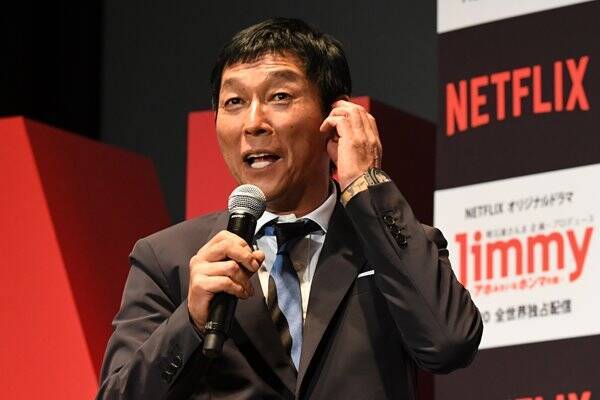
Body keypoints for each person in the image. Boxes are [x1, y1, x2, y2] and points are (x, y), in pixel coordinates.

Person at [97, 18, 483, 400]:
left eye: (280, 97)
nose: (253, 123)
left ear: (335, 116)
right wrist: (191, 322)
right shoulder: (169, 259)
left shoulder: (391, 242)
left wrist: (368, 184)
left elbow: (449, 343)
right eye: (234, 102)